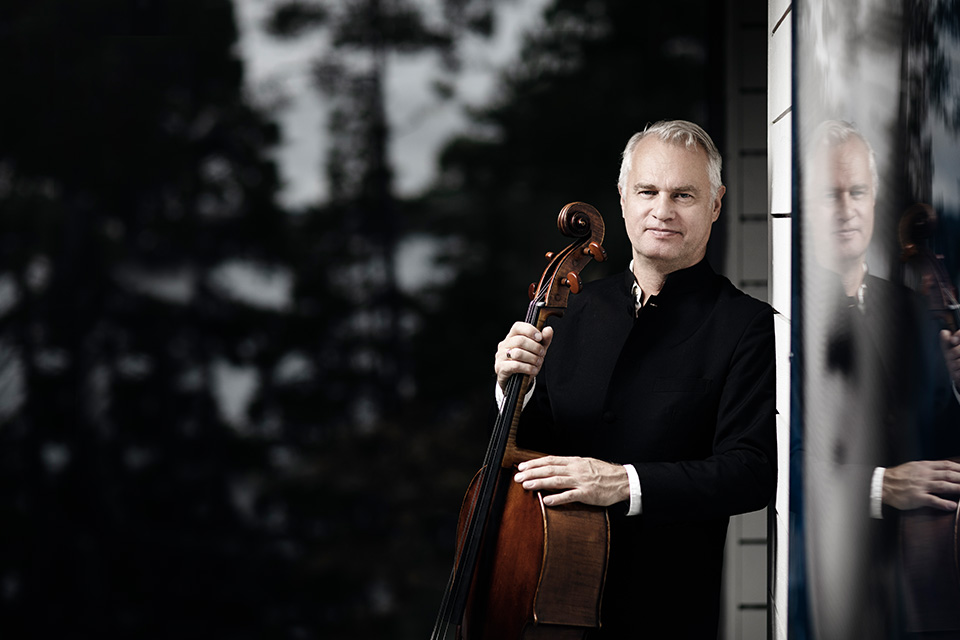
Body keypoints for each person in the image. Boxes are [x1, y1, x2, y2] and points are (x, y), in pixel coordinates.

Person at [493, 120, 777, 637]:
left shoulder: (745, 325)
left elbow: (749, 471)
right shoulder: (569, 311)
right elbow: (530, 457)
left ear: (715, 205)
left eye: (683, 195)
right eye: (647, 191)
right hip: (545, 604)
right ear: (623, 198)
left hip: (664, 614)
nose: (662, 210)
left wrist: (622, 482)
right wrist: (516, 389)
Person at [800, 119, 960, 637]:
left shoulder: (913, 310)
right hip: (828, 579)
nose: (846, 209)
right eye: (830, 195)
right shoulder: (785, 318)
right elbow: (784, 460)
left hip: (922, 578)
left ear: (874, 200)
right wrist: (881, 485)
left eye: (858, 192)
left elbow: (946, 437)